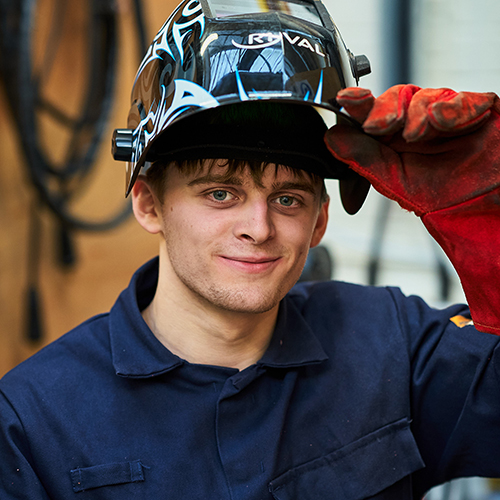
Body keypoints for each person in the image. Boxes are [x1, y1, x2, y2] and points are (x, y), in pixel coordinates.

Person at [1, 0, 500, 498]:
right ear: (149, 204)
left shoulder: (392, 344)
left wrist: (486, 219)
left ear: (320, 220)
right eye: (220, 193)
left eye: (287, 199)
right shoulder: (34, 421)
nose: (258, 229)